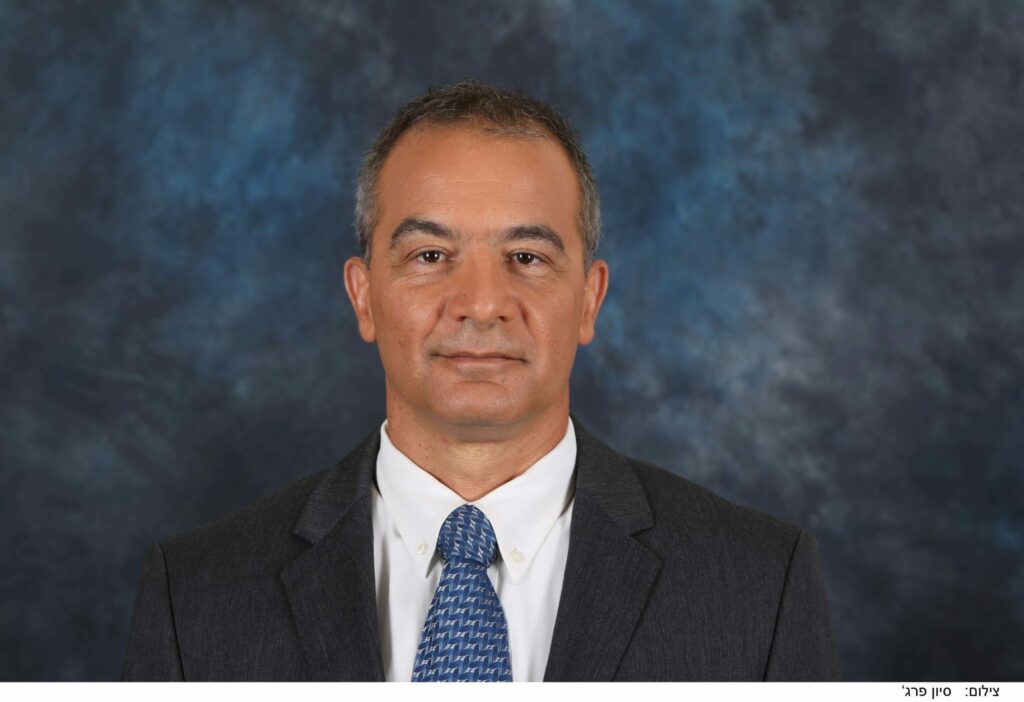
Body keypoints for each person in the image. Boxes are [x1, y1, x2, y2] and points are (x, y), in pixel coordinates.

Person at [122, 80, 840, 682]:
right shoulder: (196, 596)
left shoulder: (759, 588)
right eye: (431, 255)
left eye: (526, 257)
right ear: (363, 296)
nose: (481, 303)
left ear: (588, 300)